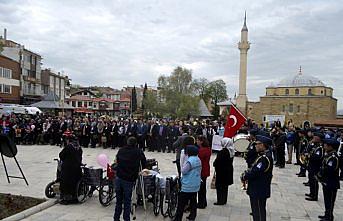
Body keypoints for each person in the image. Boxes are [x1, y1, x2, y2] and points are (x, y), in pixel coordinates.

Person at [241, 134, 273, 221]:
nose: (256, 145)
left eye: (257, 144)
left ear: (262, 145)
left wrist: (245, 176)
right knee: (258, 211)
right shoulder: (263, 155)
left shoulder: (264, 158)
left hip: (258, 189)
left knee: (258, 212)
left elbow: (255, 172)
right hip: (259, 189)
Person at [113, 137, 146, 221]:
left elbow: (116, 161)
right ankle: (126, 219)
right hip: (129, 179)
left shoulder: (121, 150)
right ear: (136, 143)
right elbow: (144, 163)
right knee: (127, 201)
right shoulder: (138, 151)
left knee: (119, 200)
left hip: (119, 177)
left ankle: (116, 218)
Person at [174, 145, 201, 221]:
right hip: (195, 184)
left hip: (188, 185)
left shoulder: (190, 161)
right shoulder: (198, 159)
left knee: (181, 204)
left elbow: (183, 171)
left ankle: (178, 218)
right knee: (193, 202)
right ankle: (192, 216)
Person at [316, 138, 340, 221]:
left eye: (326, 145)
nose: (324, 146)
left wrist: (321, 174)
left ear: (331, 147)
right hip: (326, 181)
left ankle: (329, 217)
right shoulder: (328, 155)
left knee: (330, 201)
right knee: (327, 200)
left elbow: (330, 170)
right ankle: (327, 215)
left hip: (331, 183)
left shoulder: (333, 157)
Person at [59, 134, 83, 205]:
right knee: (75, 182)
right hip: (77, 168)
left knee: (66, 183)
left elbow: (61, 155)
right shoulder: (79, 147)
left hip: (68, 168)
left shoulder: (69, 146)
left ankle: (67, 199)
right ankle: (75, 197)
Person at [213, 137, 234, 205]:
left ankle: (220, 200)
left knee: (220, 186)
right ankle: (224, 199)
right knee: (225, 187)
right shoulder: (231, 151)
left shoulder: (223, 152)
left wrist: (214, 163)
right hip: (228, 170)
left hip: (221, 172)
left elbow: (217, 162)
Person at [305, 132, 324, 201]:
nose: (314, 138)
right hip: (311, 165)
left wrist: (309, 156)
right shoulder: (315, 145)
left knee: (314, 181)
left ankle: (314, 196)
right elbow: (309, 150)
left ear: (319, 139)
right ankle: (311, 193)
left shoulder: (320, 147)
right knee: (311, 179)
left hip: (316, 166)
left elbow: (318, 157)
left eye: (316, 137)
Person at [196, 135, 211, 209]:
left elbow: (199, 159)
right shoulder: (207, 148)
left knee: (201, 188)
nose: (197, 141)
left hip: (202, 170)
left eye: (198, 140)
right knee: (203, 187)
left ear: (201, 141)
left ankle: (201, 203)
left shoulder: (202, 150)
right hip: (205, 168)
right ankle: (203, 202)